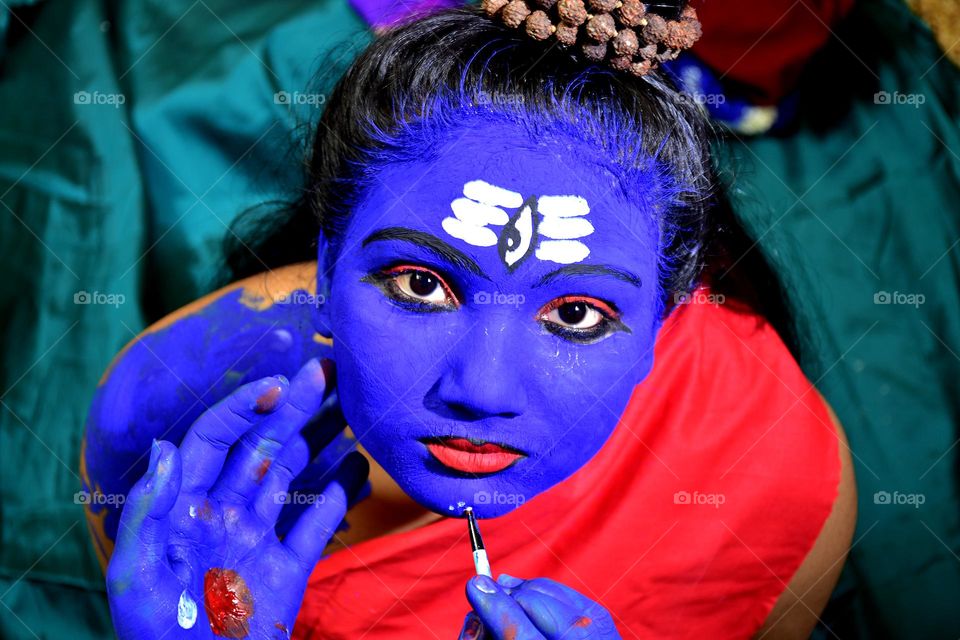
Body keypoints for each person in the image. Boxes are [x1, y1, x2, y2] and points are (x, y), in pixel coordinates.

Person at [82, 4, 856, 638]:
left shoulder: (772, 484)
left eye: (578, 313)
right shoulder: (163, 436)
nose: (480, 391)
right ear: (325, 264)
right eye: (421, 284)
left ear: (668, 313)